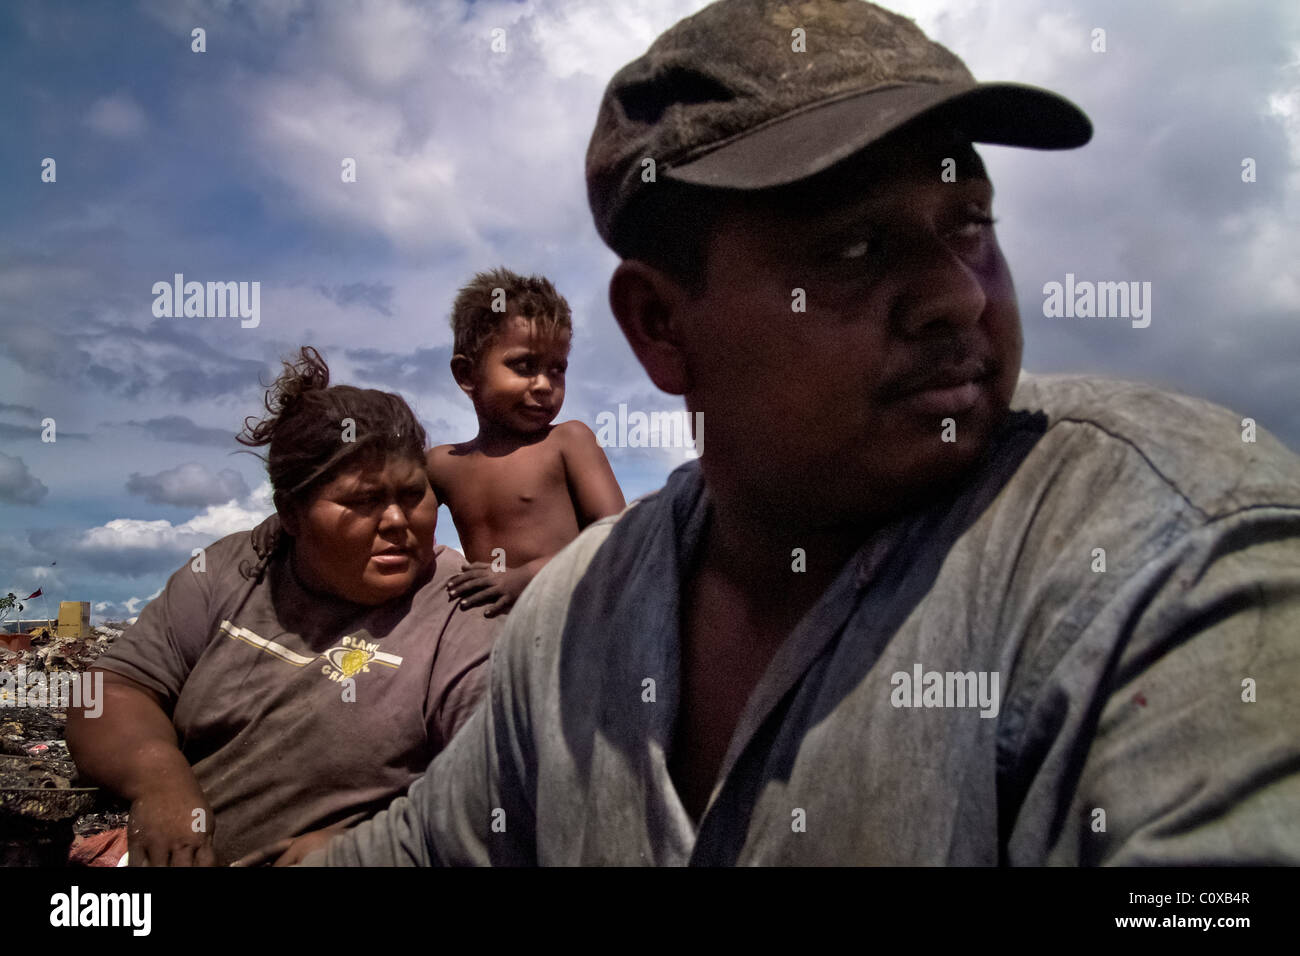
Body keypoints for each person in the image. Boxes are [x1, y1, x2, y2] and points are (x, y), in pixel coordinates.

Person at [307, 0, 1300, 866]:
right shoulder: (572, 623)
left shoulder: (1167, 552)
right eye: (855, 247)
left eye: (968, 224)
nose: (956, 296)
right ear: (660, 326)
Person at [67, 347, 501, 866]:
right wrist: (159, 781)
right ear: (292, 514)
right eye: (363, 501)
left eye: (412, 494)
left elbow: (497, 786)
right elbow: (109, 689)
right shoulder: (233, 568)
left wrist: (375, 846)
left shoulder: (460, 612)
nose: (395, 520)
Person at [427, 268, 625, 617]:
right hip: (485, 640)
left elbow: (616, 539)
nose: (544, 385)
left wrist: (524, 577)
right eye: (524, 366)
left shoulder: (568, 441)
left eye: (556, 369)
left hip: (571, 625)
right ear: (467, 375)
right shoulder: (442, 465)